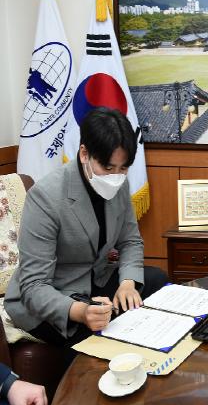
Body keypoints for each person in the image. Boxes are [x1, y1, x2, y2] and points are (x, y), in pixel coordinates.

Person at [5, 107, 169, 346]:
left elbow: (130, 241)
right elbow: (34, 286)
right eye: (108, 168)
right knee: (100, 337)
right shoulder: (45, 197)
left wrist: (127, 283)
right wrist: (81, 311)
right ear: (84, 154)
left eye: (123, 168)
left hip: (94, 280)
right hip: (52, 294)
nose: (116, 176)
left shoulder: (119, 183)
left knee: (156, 279)